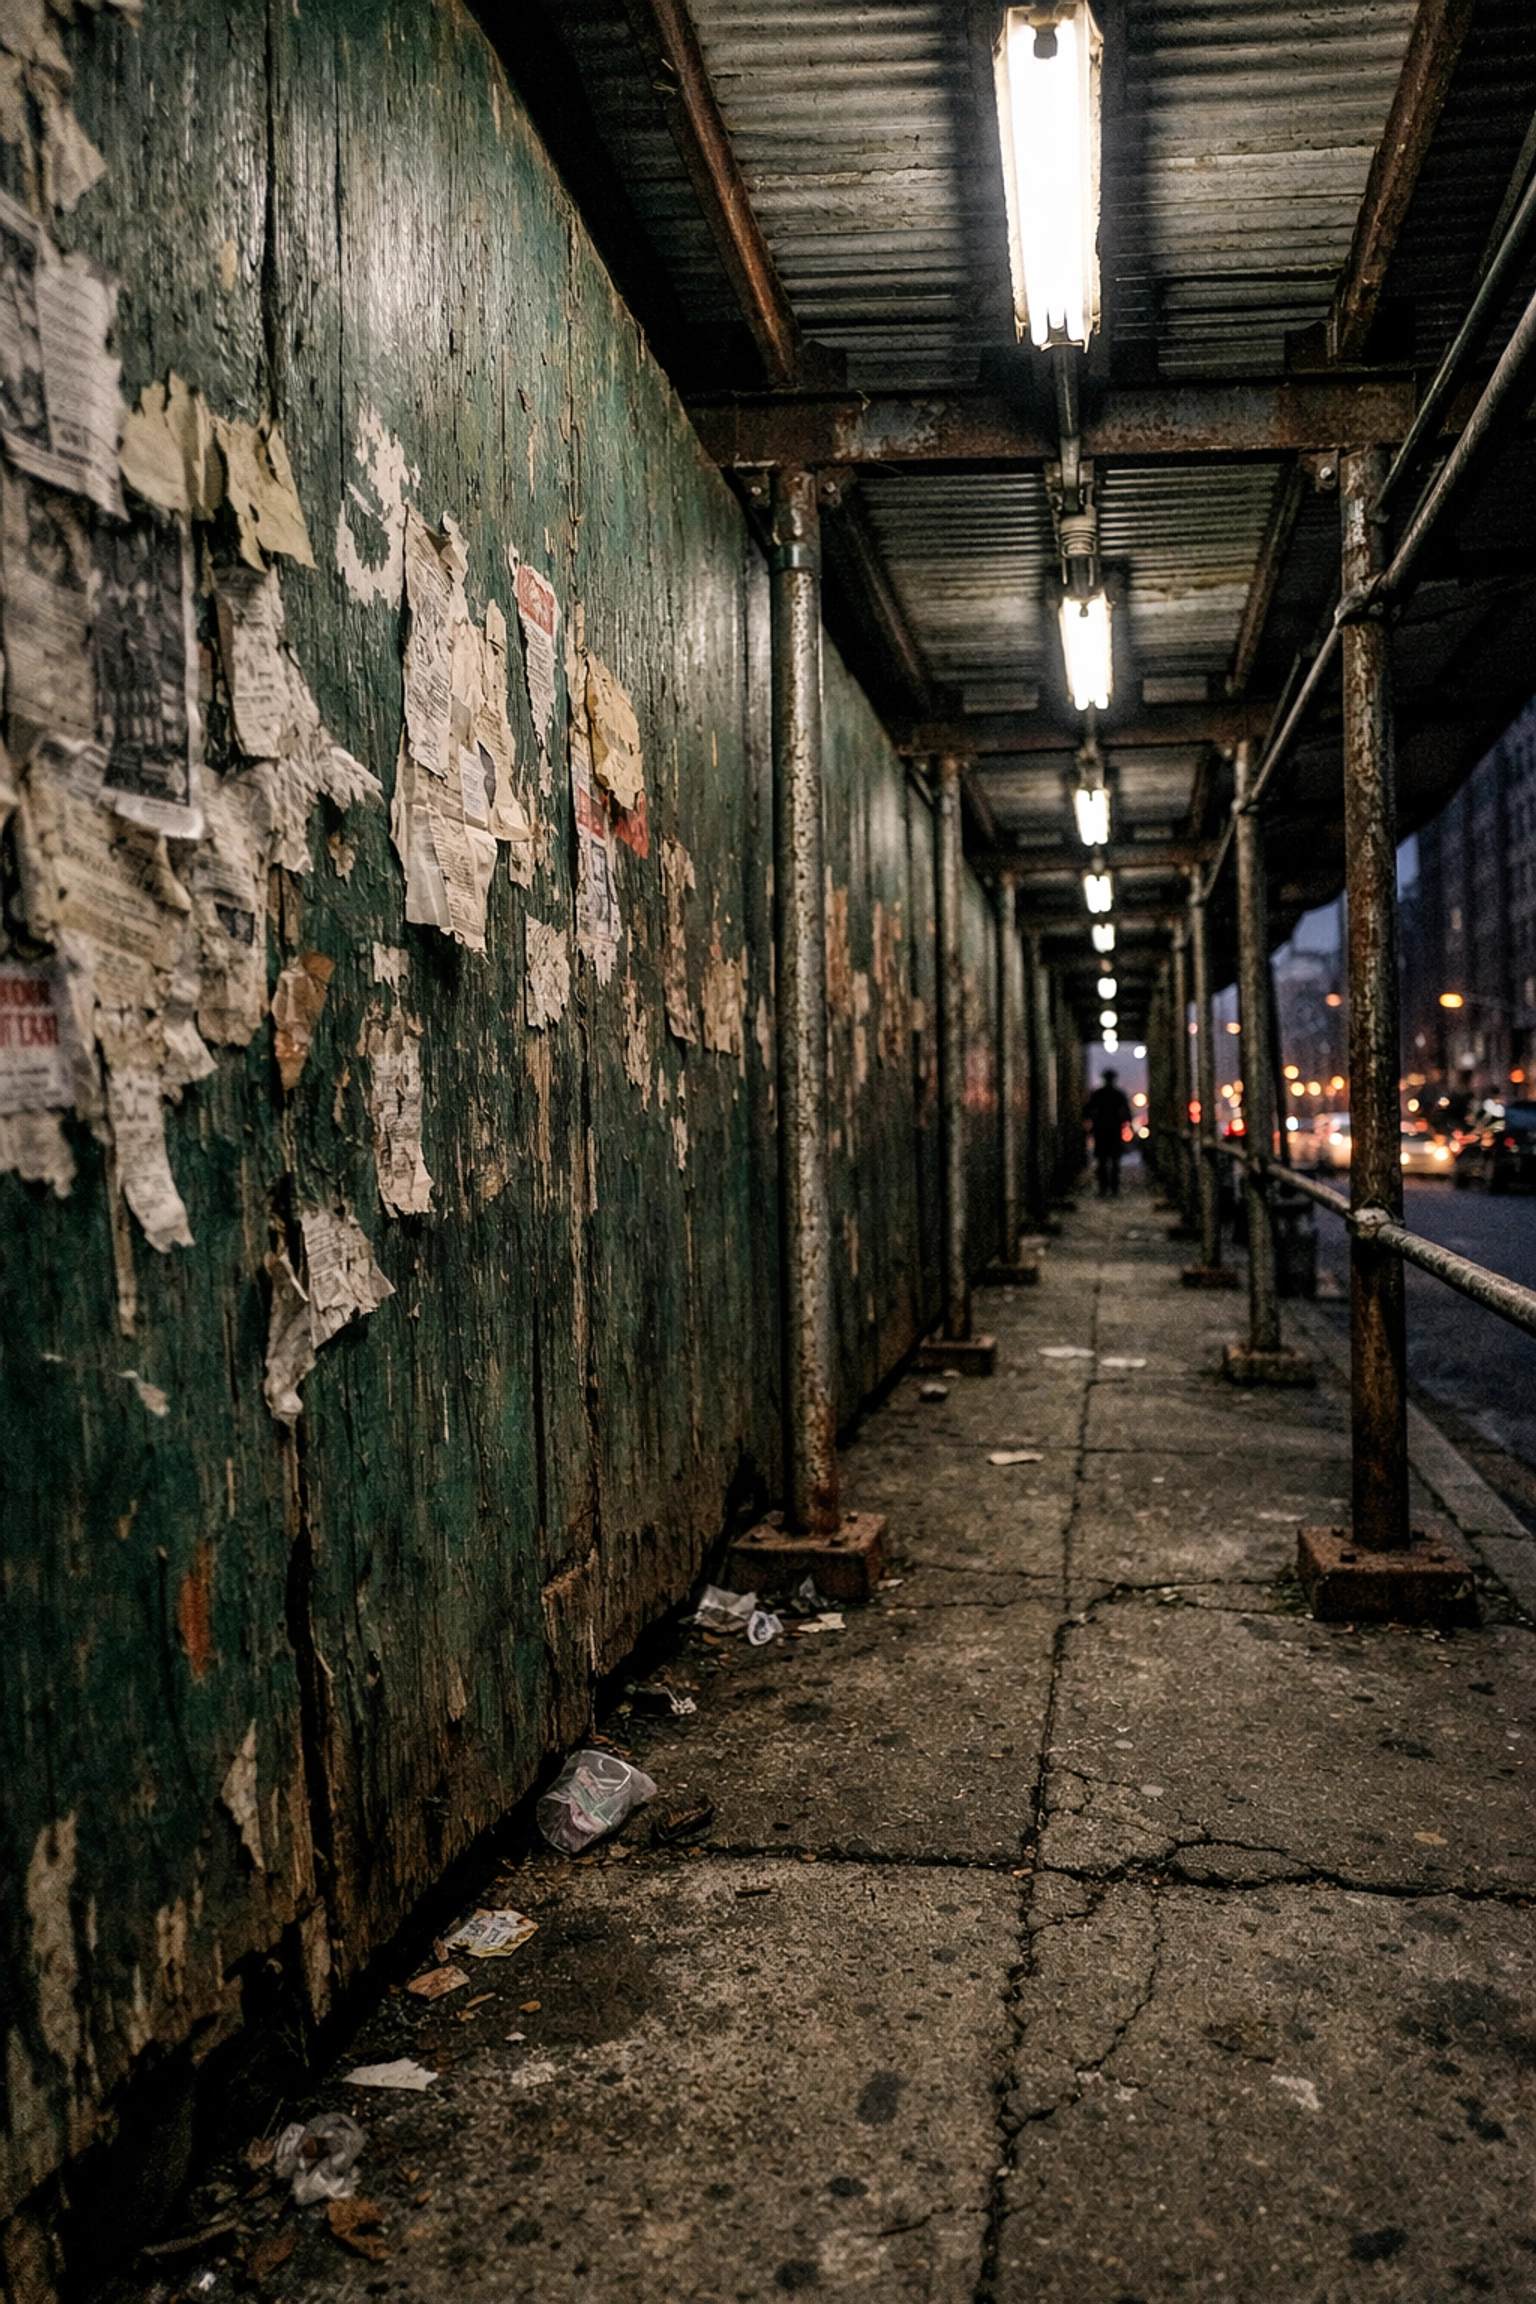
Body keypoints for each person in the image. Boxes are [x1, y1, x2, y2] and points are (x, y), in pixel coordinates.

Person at [1085, 1069, 1134, 1198]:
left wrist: (1093, 1122)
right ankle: (1114, 1188)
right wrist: (1125, 1123)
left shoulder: (1098, 1094)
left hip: (1101, 1130)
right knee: (1115, 1161)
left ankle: (1103, 1188)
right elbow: (1127, 1113)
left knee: (1102, 1161)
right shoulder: (1118, 1094)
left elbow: (1087, 1111)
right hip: (1114, 1130)